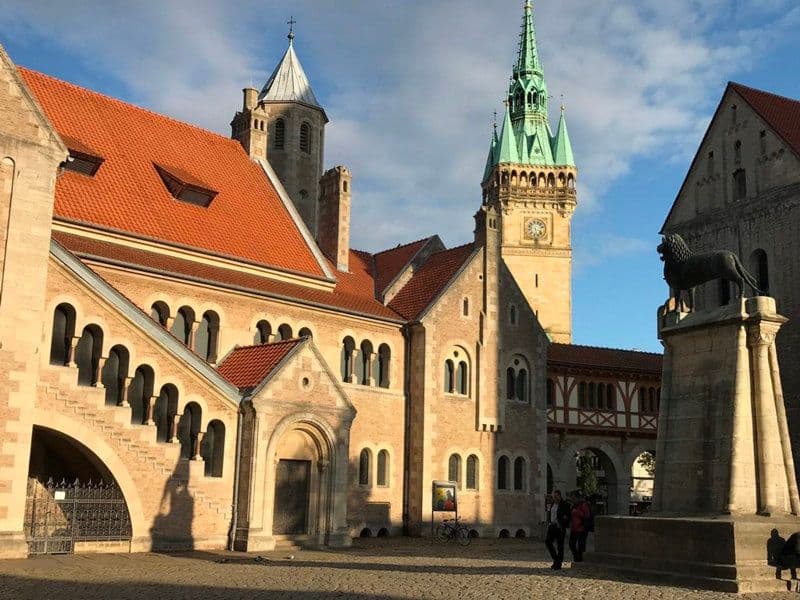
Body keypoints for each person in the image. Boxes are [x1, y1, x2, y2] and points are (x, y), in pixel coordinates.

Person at [545, 489, 571, 569]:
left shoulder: (565, 504)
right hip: (552, 526)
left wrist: (563, 522)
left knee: (560, 546)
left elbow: (567, 516)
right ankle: (556, 559)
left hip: (559, 527)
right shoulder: (552, 504)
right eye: (554, 497)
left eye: (556, 497)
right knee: (548, 542)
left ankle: (558, 563)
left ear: (559, 496)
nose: (555, 498)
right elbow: (549, 513)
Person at [568, 492, 591, 562]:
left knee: (581, 546)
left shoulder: (584, 505)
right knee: (571, 544)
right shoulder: (573, 506)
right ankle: (577, 557)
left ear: (578, 498)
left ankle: (580, 560)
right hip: (574, 528)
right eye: (572, 498)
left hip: (581, 528)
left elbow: (587, 516)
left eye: (574, 498)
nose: (572, 500)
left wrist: (577, 512)